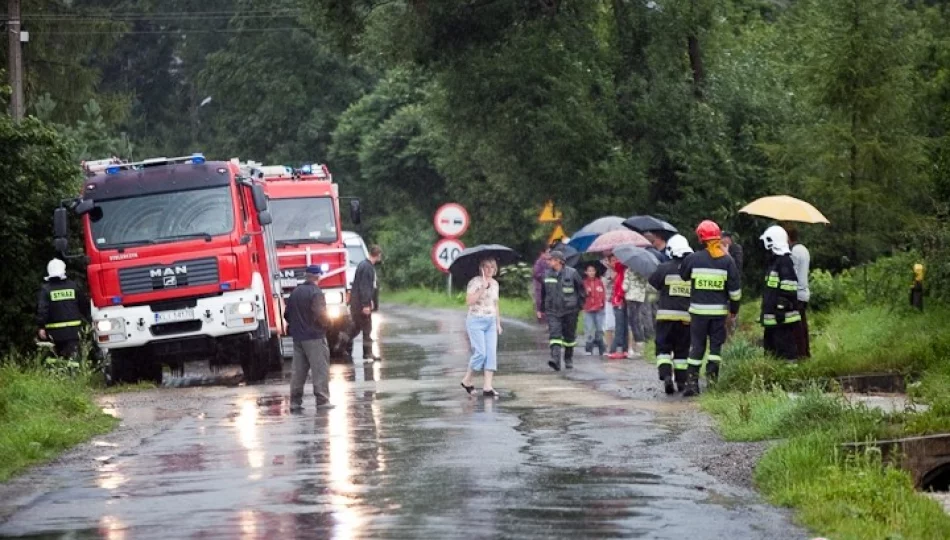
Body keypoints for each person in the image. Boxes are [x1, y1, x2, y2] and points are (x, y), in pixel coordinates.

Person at [679, 220, 741, 397]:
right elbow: (735, 291)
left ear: (700, 238)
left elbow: (683, 275)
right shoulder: (728, 261)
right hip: (719, 314)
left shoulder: (693, 258)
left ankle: (692, 383)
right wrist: (734, 310)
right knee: (715, 348)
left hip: (698, 313)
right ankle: (712, 383)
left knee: (697, 347)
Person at [649, 235, 694, 394]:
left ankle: (666, 376)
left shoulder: (664, 268)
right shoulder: (692, 270)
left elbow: (653, 283)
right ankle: (681, 382)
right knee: (682, 351)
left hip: (665, 317)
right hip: (686, 318)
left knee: (663, 349)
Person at [285, 265, 333, 411]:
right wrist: (328, 324)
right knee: (320, 369)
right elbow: (320, 314)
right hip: (314, 337)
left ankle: (295, 402)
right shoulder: (316, 293)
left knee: (298, 371)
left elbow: (286, 315)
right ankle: (322, 400)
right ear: (318, 277)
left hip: (298, 338)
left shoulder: (295, 292)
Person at [538, 250, 585, 371]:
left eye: (551, 259)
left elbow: (581, 290)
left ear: (559, 261)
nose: (549, 262)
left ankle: (568, 358)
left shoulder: (572, 273)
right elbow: (543, 293)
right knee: (555, 335)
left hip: (570, 310)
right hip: (552, 311)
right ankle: (555, 360)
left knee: (569, 337)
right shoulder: (547, 275)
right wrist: (541, 308)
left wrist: (579, 306)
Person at [461, 258, 502, 397]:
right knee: (481, 353)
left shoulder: (495, 284)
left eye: (492, 267)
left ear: (495, 269)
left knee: (491, 354)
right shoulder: (475, 282)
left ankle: (488, 386)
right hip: (475, 320)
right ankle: (467, 379)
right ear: (481, 268)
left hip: (490, 321)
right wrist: (482, 288)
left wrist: (498, 323)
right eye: (486, 266)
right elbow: (469, 301)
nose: (489, 269)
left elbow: (495, 304)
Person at [760, 226, 802, 361]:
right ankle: (773, 377)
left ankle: (790, 376)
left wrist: (780, 307)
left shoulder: (784, 261)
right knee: (771, 350)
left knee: (785, 348)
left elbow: (789, 285)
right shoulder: (774, 262)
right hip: (773, 317)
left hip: (782, 317)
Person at [35, 258, 90, 359]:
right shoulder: (73, 286)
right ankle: (75, 374)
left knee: (56, 360)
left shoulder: (46, 289)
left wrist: (41, 326)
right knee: (74, 359)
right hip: (74, 332)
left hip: (54, 334)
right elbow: (84, 306)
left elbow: (43, 310)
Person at [352, 244, 383, 361]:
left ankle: (341, 346)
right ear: (378, 255)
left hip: (358, 303)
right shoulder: (367, 267)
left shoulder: (363, 265)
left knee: (356, 328)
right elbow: (365, 287)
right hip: (361, 305)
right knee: (366, 329)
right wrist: (366, 304)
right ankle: (368, 353)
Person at [787, 228, 810, 358]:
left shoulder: (794, 252)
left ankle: (800, 353)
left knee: (797, 327)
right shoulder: (804, 249)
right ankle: (805, 351)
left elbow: (792, 272)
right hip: (804, 292)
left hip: (797, 293)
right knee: (803, 324)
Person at [622, 264, 649, 356]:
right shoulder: (644, 272)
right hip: (640, 298)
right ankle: (640, 345)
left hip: (630, 298)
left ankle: (634, 344)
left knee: (631, 322)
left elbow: (624, 287)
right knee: (638, 320)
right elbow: (647, 286)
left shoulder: (628, 271)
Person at [606, 254, 629, 359]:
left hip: (624, 301)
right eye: (613, 260)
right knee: (620, 326)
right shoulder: (620, 272)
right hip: (618, 301)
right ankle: (614, 349)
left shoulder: (623, 271)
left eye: (616, 260)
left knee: (624, 326)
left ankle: (624, 349)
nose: (615, 262)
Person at [582, 264, 607, 356]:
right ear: (586, 272)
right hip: (588, 309)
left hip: (599, 309)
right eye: (589, 271)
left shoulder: (599, 282)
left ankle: (602, 348)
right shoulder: (584, 283)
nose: (591, 272)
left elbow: (603, 293)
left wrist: (602, 304)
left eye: (593, 270)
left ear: (595, 272)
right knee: (589, 328)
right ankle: (589, 348)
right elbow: (581, 295)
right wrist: (585, 294)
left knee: (600, 328)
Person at [533, 245, 553, 318]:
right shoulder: (539, 262)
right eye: (547, 253)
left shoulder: (550, 262)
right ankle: (540, 315)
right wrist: (545, 277)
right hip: (540, 285)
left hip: (548, 286)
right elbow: (536, 274)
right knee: (540, 301)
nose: (549, 254)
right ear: (542, 253)